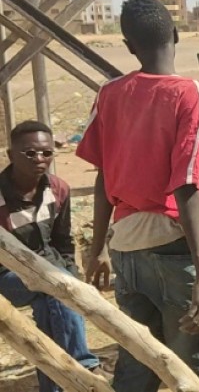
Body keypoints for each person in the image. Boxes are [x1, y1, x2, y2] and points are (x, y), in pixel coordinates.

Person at [76, 0, 199, 392]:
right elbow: (186, 181)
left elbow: (105, 173)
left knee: (138, 358)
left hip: (126, 246)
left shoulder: (110, 93)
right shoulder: (189, 92)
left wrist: (98, 247)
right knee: (191, 366)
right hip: (174, 247)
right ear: (174, 34)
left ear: (128, 45)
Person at [0, 121, 102, 392]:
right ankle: (84, 363)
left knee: (49, 305)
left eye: (46, 153)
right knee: (54, 288)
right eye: (30, 153)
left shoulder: (58, 190)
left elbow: (62, 241)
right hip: (6, 278)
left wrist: (72, 276)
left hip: (50, 272)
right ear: (11, 155)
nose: (40, 159)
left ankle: (54, 385)